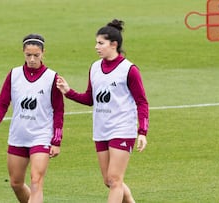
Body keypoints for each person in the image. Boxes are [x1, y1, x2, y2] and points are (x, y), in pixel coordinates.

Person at [56, 19, 149, 203]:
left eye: (101, 43)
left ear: (113, 45)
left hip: (122, 129)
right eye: (96, 43)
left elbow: (142, 102)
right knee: (109, 180)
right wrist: (68, 92)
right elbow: (90, 99)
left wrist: (142, 132)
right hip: (101, 130)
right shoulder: (95, 68)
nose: (96, 47)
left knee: (115, 179)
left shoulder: (129, 70)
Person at [0, 34, 64, 203]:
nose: (32, 59)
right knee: (16, 183)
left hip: (41, 136)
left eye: (36, 55)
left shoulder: (52, 78)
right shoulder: (14, 75)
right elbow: (2, 104)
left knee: (36, 181)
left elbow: (58, 110)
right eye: (28, 55)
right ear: (23, 53)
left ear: (43, 53)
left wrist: (56, 140)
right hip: (18, 136)